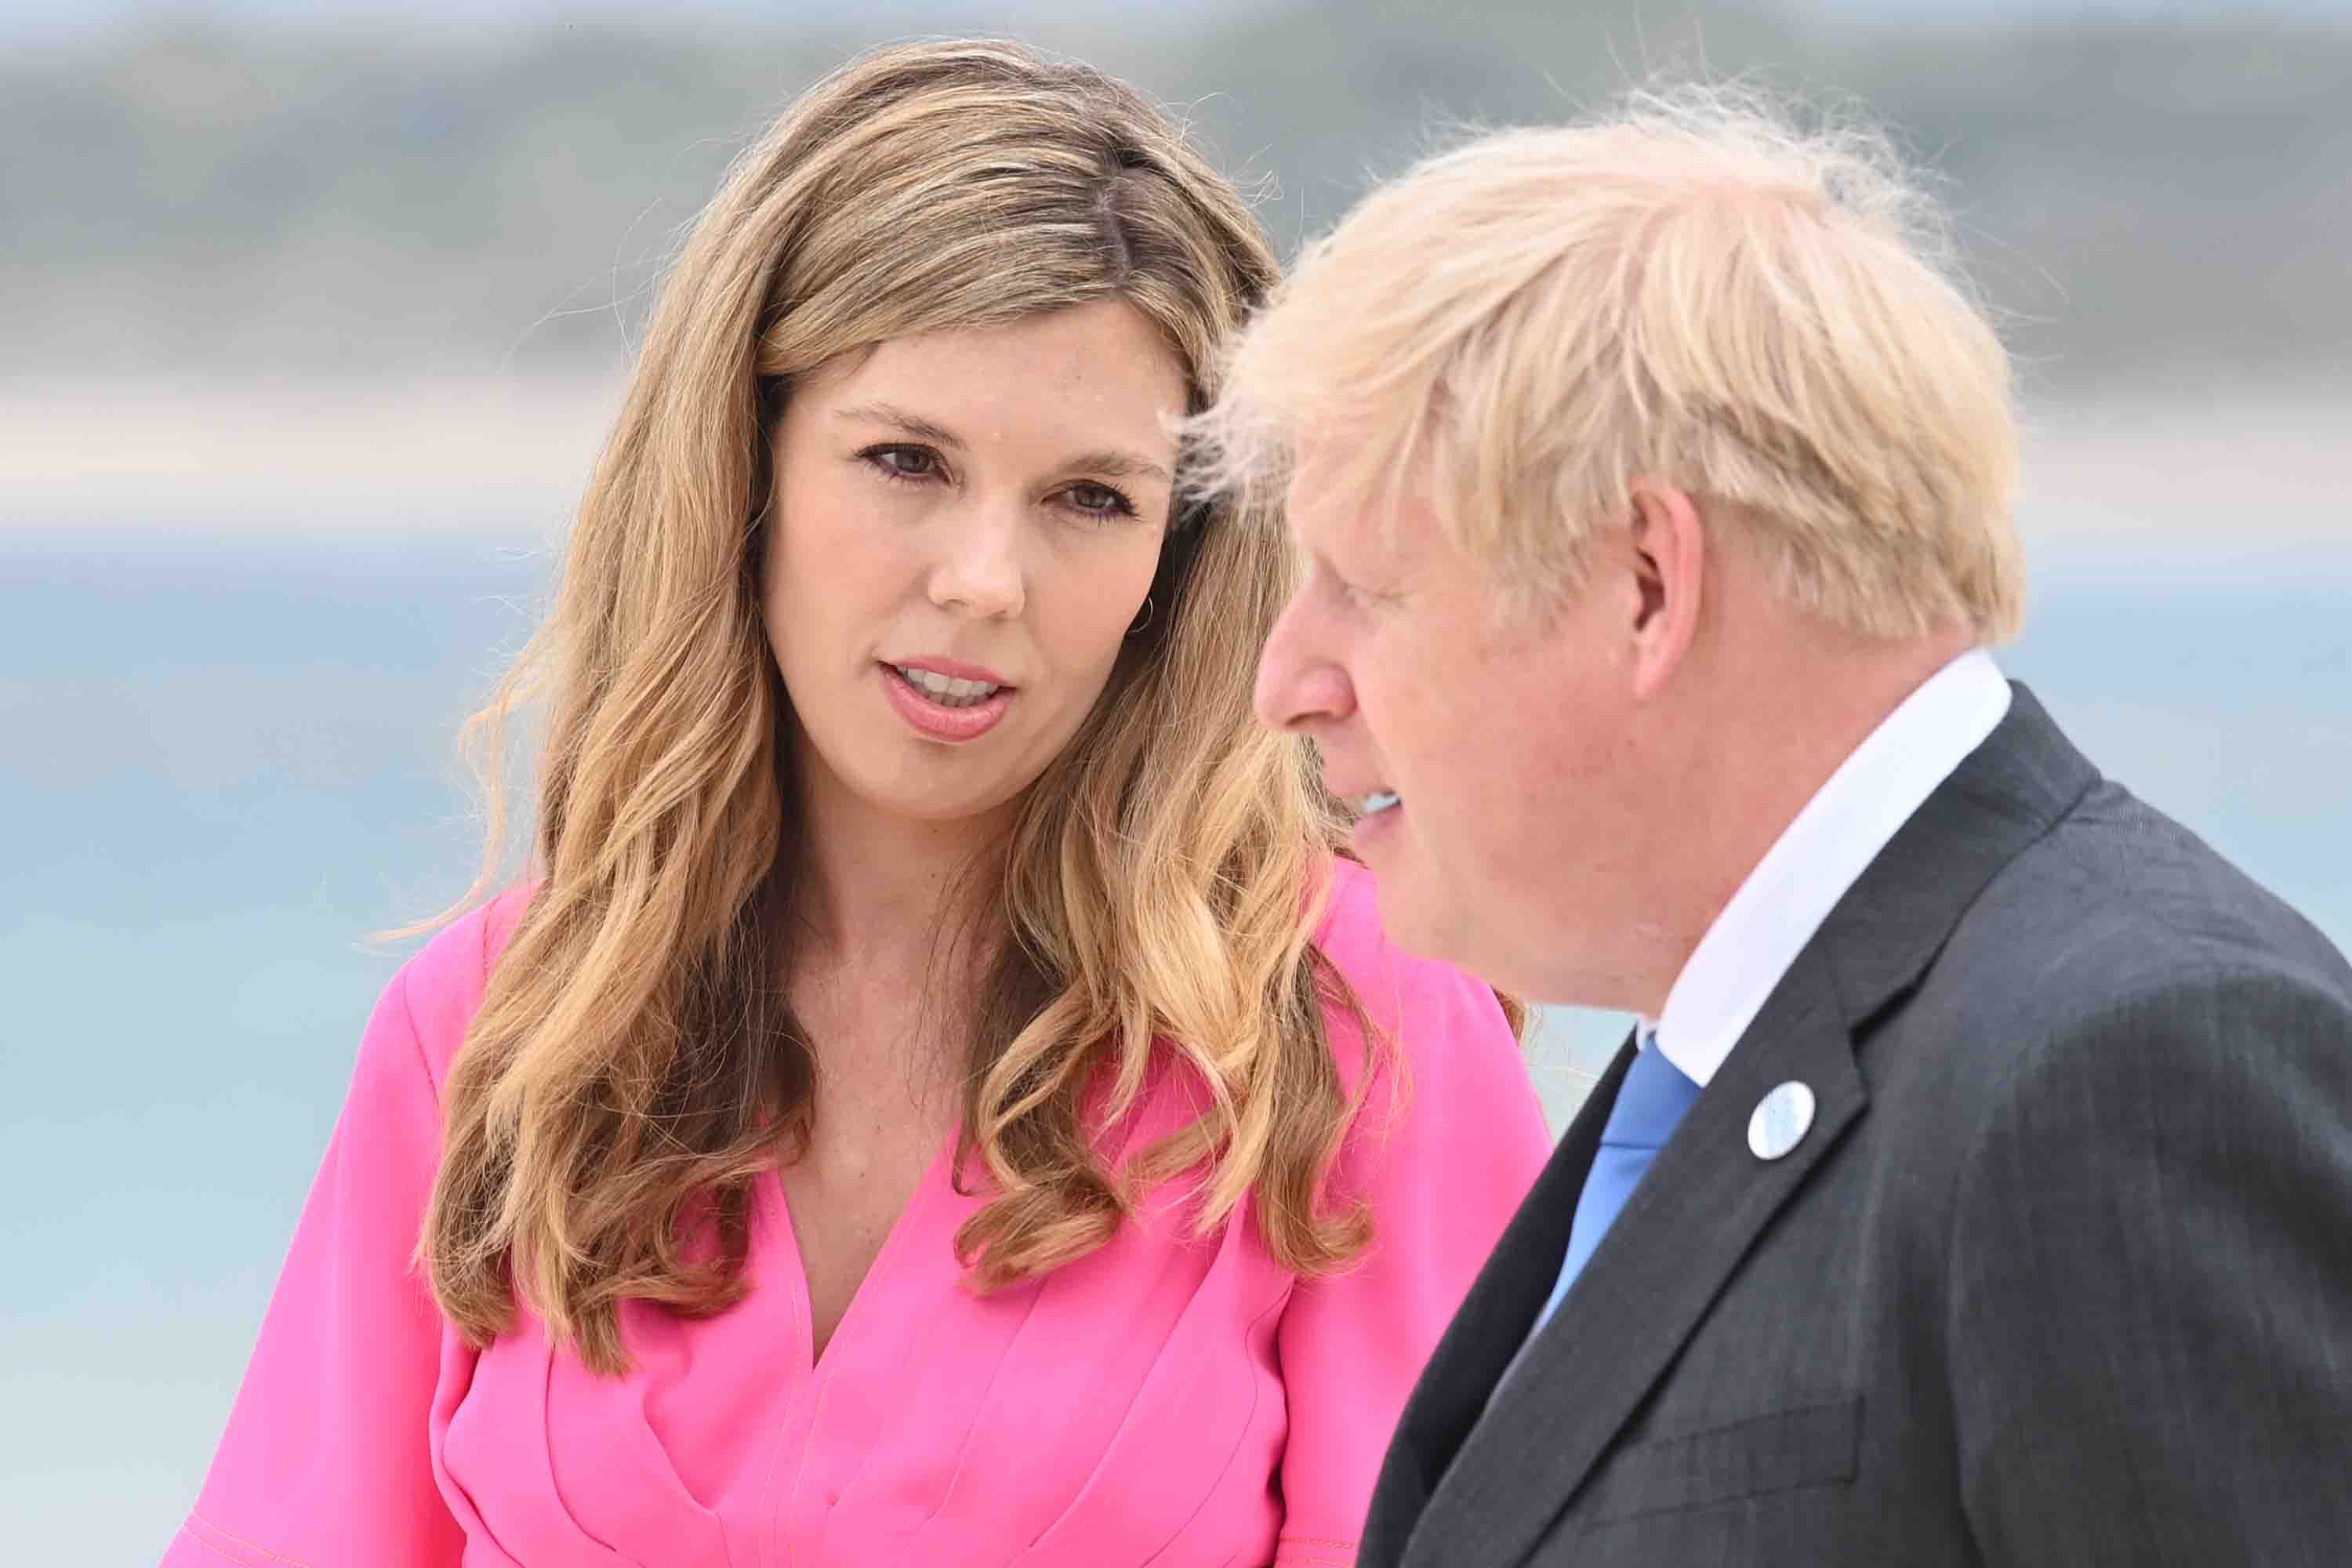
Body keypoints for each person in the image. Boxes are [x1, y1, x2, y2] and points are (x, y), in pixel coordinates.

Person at [163, 40, 1552, 1568]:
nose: (982, 582)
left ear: (1183, 552)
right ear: (744, 468)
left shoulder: (1355, 1030)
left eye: (1092, 498)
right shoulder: (498, 1030)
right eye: (906, 461)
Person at [1196, 85, 2352, 1566]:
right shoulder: (1725, 1052)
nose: (1287, 682)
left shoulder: (2123, 1069)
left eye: (1365, 585)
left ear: (1647, 585)